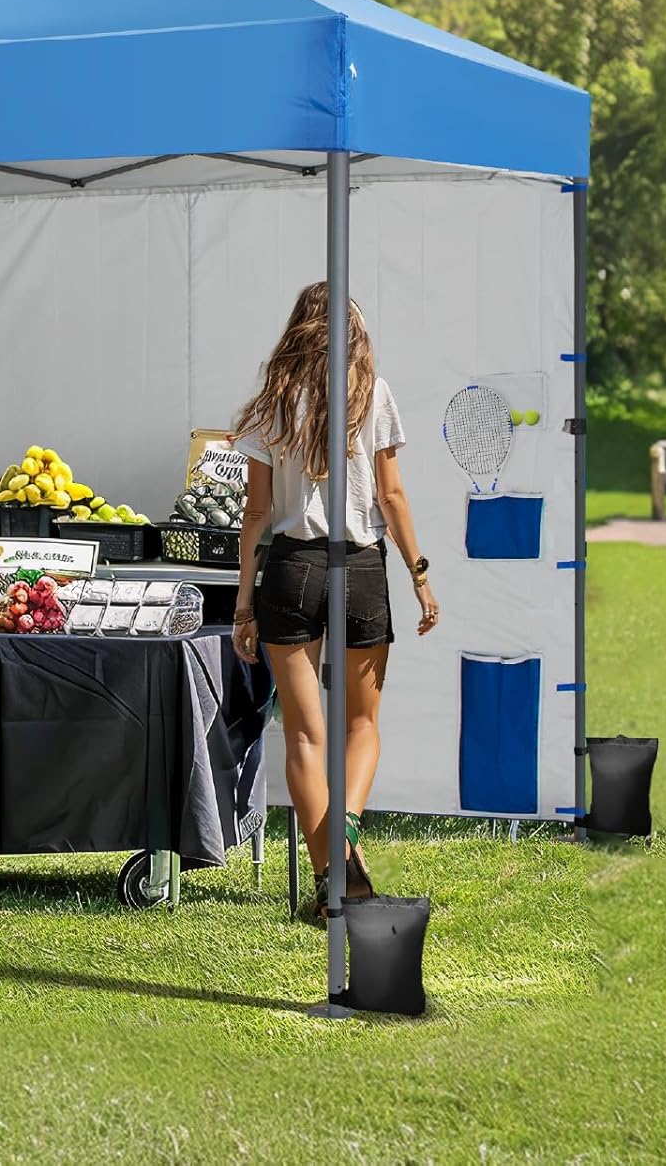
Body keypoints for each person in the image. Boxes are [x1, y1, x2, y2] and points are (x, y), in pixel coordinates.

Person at [228, 282, 439, 923]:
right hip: (362, 566)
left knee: (303, 736)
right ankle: (345, 841)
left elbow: (258, 513)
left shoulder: (272, 403)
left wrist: (243, 604)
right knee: (361, 727)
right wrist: (420, 576)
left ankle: (331, 876)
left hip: (291, 569)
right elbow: (393, 497)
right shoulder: (372, 393)